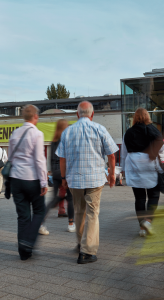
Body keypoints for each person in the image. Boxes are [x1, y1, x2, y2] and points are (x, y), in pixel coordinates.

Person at [56, 101, 118, 264]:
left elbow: (62, 159)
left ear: (77, 114)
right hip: (95, 179)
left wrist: (63, 178)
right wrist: (112, 175)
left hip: (74, 179)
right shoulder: (100, 129)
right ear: (92, 114)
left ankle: (80, 243)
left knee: (78, 211)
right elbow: (111, 155)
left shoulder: (68, 131)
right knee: (92, 212)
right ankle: (87, 251)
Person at [9, 104, 48, 260]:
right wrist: (44, 182)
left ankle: (23, 252)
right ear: (36, 117)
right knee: (39, 211)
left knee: (23, 216)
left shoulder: (15, 133)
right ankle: (28, 241)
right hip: (32, 179)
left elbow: (10, 157)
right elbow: (39, 159)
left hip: (16, 179)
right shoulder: (37, 134)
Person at [121, 108, 164, 237]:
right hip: (150, 164)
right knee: (154, 195)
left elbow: (124, 153)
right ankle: (148, 221)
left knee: (139, 198)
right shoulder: (153, 129)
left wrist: (123, 170)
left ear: (135, 117)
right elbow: (161, 145)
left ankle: (142, 228)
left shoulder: (128, 132)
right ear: (147, 116)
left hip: (133, 165)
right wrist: (154, 153)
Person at [43, 119, 75, 235]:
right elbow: (65, 158)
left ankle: (41, 222)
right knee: (70, 197)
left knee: (54, 198)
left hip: (55, 172)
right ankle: (71, 224)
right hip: (64, 171)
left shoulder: (53, 140)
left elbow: (51, 159)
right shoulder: (66, 139)